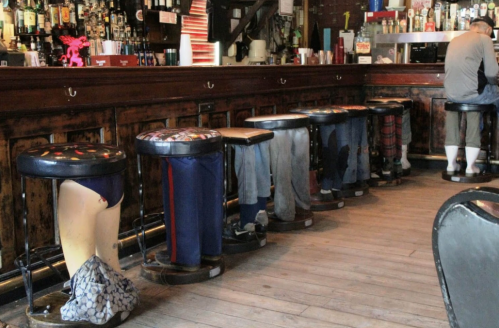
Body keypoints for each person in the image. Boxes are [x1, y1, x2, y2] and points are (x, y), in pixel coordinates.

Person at [444, 16, 499, 175]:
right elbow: (492, 73)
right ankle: (471, 166)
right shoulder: (484, 39)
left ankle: (451, 164)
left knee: (476, 104)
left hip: (452, 95)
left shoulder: (454, 40)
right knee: (486, 98)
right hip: (474, 95)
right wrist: (494, 83)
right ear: (489, 30)